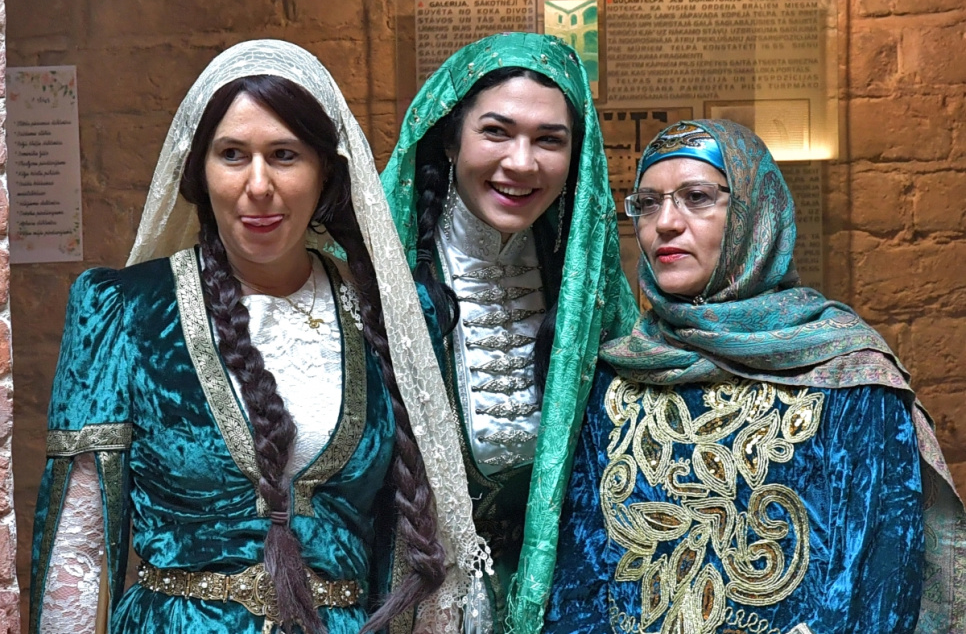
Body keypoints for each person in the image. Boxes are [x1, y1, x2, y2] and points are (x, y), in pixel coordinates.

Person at [29, 40, 490, 634]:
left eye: (284, 155)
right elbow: (79, 549)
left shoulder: (392, 319)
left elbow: (414, 542)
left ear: (326, 171)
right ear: (199, 172)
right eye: (232, 154)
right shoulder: (126, 311)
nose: (258, 184)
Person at [544, 120, 966, 633]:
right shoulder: (616, 374)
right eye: (648, 203)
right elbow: (578, 575)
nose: (665, 223)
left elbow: (875, 582)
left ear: (754, 213)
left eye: (696, 198)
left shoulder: (850, 374)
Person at [381, 32, 638, 632]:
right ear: (450, 139)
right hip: (399, 598)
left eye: (549, 140)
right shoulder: (377, 274)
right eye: (496, 132)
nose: (522, 163)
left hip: (550, 599)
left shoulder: (583, 293)